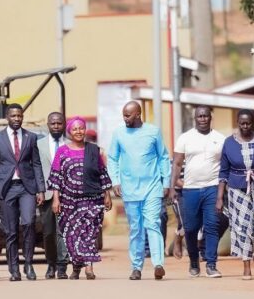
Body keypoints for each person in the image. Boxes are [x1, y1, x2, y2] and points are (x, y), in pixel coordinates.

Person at [107, 101, 171, 280]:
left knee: (153, 224)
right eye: (123, 115)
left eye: (128, 115)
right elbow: (112, 158)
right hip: (129, 188)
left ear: (138, 114)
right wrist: (115, 180)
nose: (125, 118)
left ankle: (158, 263)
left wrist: (166, 181)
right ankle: (136, 267)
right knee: (136, 229)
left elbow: (163, 157)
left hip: (152, 187)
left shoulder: (153, 131)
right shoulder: (119, 133)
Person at [0, 103, 45, 281]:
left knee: (28, 223)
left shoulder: (31, 137)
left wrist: (41, 189)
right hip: (7, 188)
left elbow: (36, 164)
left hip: (27, 188)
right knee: (11, 231)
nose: (17, 119)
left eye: (20, 116)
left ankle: (28, 263)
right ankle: (14, 269)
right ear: (7, 117)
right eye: (13, 116)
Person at [217, 109, 254, 280]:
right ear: (238, 123)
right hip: (237, 189)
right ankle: (246, 266)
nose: (245, 126)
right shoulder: (229, 143)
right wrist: (220, 198)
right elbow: (223, 172)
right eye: (242, 123)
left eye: (248, 123)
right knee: (242, 226)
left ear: (252, 123)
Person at [49, 116, 113, 279]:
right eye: (75, 129)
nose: (79, 131)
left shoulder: (93, 150)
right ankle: (76, 266)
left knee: (89, 232)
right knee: (72, 235)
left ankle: (89, 268)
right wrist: (56, 199)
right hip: (69, 200)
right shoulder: (62, 151)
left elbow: (102, 173)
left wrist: (107, 195)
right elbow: (56, 176)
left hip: (92, 198)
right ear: (69, 131)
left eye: (81, 128)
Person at [169, 105, 225, 278]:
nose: (203, 119)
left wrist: (222, 191)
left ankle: (211, 264)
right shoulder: (185, 138)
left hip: (212, 188)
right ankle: (194, 261)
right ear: (195, 118)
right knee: (191, 228)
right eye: (199, 116)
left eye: (205, 116)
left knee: (211, 227)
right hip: (190, 189)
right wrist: (172, 187)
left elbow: (225, 165)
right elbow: (177, 164)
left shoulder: (220, 139)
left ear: (210, 118)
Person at [37, 111, 71, 279]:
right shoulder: (39, 144)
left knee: (63, 231)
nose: (56, 126)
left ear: (63, 124)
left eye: (59, 123)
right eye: (53, 123)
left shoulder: (71, 144)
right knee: (49, 232)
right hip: (47, 195)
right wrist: (39, 190)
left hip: (67, 195)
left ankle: (62, 266)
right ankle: (50, 263)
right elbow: (36, 169)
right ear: (48, 125)